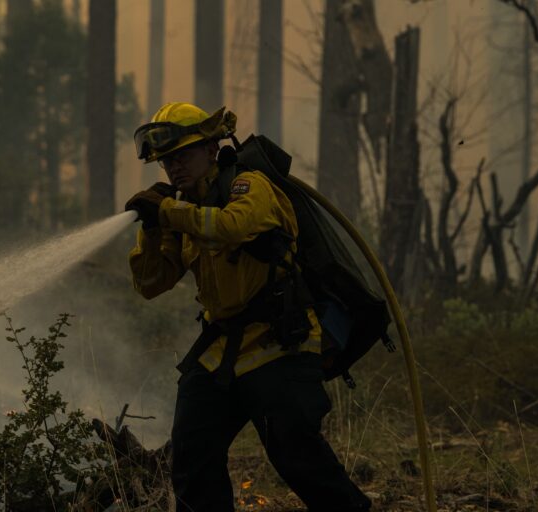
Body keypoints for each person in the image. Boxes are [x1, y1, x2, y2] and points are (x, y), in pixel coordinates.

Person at [125, 102, 371, 512]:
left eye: (182, 156)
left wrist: (169, 211)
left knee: (297, 456)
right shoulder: (181, 213)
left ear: (210, 148)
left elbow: (232, 226)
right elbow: (151, 284)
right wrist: (153, 228)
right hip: (223, 352)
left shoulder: (249, 185)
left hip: (279, 343)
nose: (175, 169)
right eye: (167, 162)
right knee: (192, 455)